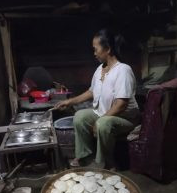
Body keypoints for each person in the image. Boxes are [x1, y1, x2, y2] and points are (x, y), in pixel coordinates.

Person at [55, 29, 141, 168]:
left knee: (103, 124)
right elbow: (91, 92)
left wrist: (100, 120)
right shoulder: (100, 69)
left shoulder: (123, 70)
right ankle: (85, 156)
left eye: (96, 49)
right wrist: (69, 101)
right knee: (80, 116)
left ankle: (107, 162)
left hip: (125, 119)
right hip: (104, 114)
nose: (94, 53)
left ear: (107, 49)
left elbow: (121, 105)